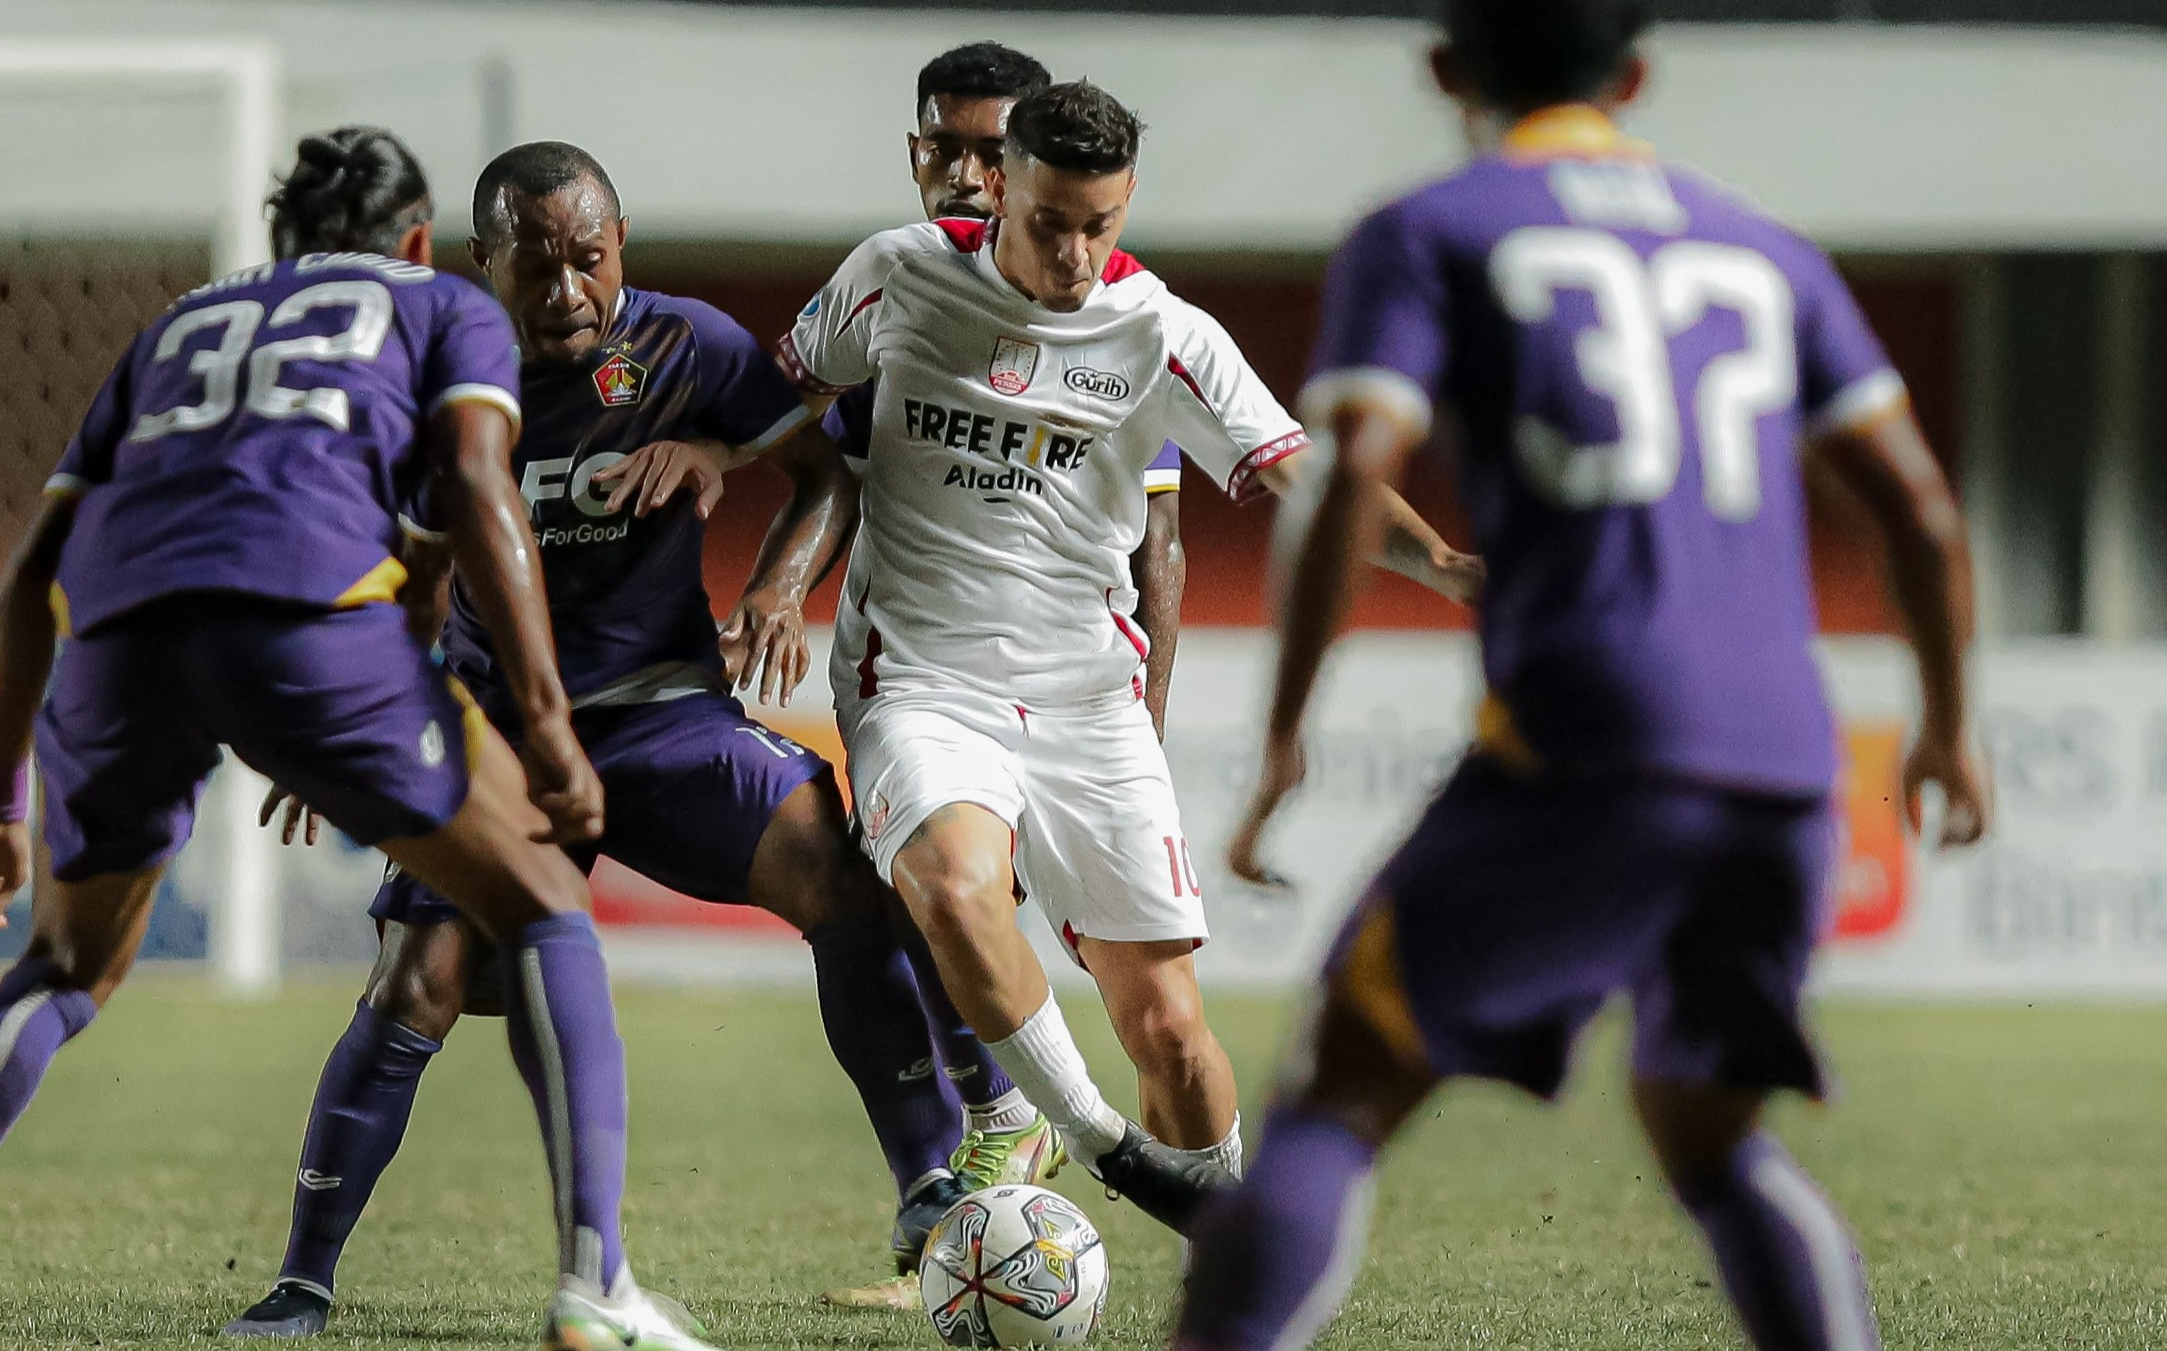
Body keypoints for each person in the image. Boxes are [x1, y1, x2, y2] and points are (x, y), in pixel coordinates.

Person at [1174, 2, 1989, 1347]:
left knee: (1337, 1087)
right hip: (1787, 759)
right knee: (1707, 1134)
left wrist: (1281, 735)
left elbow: (1350, 471)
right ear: (1634, 73)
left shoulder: (1432, 227)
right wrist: (1949, 725)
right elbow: (1916, 509)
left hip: (1591, 735)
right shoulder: (1762, 245)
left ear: (1443, 71)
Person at [0, 126, 715, 1351]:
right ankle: (595, 1284)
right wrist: (548, 725)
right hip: (307, 625)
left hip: (117, 637)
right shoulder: (438, 307)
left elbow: (32, 568)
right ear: (418, 240)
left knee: (62, 971)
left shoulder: (180, 327)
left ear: (280, 243)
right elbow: (475, 489)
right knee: (541, 907)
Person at [220, 140, 979, 1339]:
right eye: (539, 265)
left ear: (620, 243)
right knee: (416, 984)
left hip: (665, 713)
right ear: (485, 263)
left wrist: (778, 590)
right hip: (500, 739)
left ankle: (929, 1184)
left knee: (841, 864)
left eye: (591, 257)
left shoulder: (687, 346)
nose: (570, 288)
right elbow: (389, 571)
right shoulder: (430, 378)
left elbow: (822, 477)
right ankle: (301, 1281)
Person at [776, 80, 1480, 1234]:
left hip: (1087, 701)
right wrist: (696, 469)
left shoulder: (1162, 331)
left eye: (1097, 225)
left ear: (1126, 204)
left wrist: (1444, 563)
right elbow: (779, 389)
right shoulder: (898, 272)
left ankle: (1227, 1242)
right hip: (921, 680)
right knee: (954, 887)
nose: (1072, 251)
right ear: (997, 186)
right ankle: (1099, 1143)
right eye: (1048, 222)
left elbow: (1308, 477)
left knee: (1167, 1028)